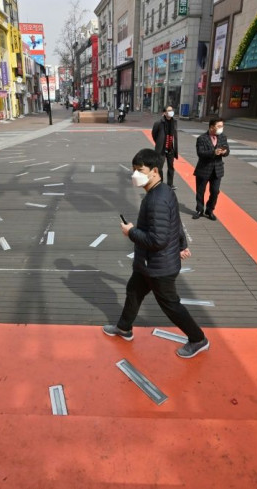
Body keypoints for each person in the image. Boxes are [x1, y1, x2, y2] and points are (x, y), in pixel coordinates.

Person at [103, 148, 210, 359]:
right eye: (133, 170)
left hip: (159, 267)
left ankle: (198, 339)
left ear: (154, 171)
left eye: (140, 170)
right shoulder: (165, 191)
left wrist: (131, 231)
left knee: (170, 305)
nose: (135, 175)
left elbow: (157, 240)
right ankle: (124, 328)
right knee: (133, 291)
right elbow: (176, 222)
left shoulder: (156, 200)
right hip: (148, 264)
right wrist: (181, 244)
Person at [193, 118, 230, 220]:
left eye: (222, 126)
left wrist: (224, 152)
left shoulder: (223, 137)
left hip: (217, 170)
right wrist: (214, 152)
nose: (221, 128)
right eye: (219, 126)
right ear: (211, 127)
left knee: (215, 191)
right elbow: (200, 153)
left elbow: (227, 151)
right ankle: (199, 210)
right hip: (204, 169)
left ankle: (210, 210)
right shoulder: (202, 138)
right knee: (200, 191)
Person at [152, 105, 179, 189]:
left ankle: (170, 184)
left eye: (172, 110)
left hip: (171, 148)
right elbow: (154, 134)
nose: (171, 112)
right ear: (164, 113)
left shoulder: (174, 121)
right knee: (160, 167)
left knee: (171, 167)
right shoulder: (159, 123)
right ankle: (161, 184)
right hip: (162, 149)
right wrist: (159, 142)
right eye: (169, 110)